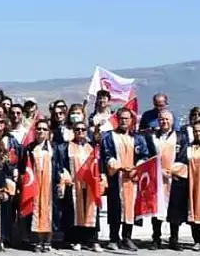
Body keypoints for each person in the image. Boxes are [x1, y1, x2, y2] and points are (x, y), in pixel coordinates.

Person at [100, 107, 149, 251]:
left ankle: (127, 237)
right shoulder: (109, 136)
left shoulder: (138, 138)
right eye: (121, 118)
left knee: (130, 208)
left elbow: (144, 156)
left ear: (131, 120)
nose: (124, 121)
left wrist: (137, 167)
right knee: (115, 208)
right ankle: (113, 238)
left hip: (132, 179)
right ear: (117, 119)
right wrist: (119, 167)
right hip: (117, 177)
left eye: (127, 118)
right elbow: (106, 155)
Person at [55, 119, 101, 251]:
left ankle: (92, 240)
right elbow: (60, 164)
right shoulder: (65, 147)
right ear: (73, 131)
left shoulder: (93, 146)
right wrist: (64, 174)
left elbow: (99, 163)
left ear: (87, 132)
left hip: (91, 184)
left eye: (83, 129)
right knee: (75, 213)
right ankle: (77, 240)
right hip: (74, 184)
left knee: (92, 212)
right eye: (77, 129)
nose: (80, 131)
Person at [20, 118, 58, 252]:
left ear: (49, 132)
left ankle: (47, 241)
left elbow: (58, 166)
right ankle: (35, 241)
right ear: (35, 131)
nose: (41, 131)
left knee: (48, 211)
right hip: (34, 184)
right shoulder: (29, 148)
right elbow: (23, 167)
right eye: (39, 128)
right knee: (35, 210)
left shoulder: (54, 148)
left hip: (49, 185)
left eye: (44, 129)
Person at [147, 109, 180, 248]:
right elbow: (148, 156)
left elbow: (183, 156)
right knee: (156, 209)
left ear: (172, 121)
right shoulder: (152, 137)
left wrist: (173, 171)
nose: (164, 122)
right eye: (161, 119)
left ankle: (174, 239)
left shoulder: (180, 137)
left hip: (175, 178)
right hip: (157, 178)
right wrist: (159, 171)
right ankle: (156, 239)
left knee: (174, 209)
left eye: (167, 119)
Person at [167, 121, 200, 249]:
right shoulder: (189, 147)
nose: (198, 133)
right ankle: (197, 240)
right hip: (193, 184)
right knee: (195, 210)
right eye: (196, 131)